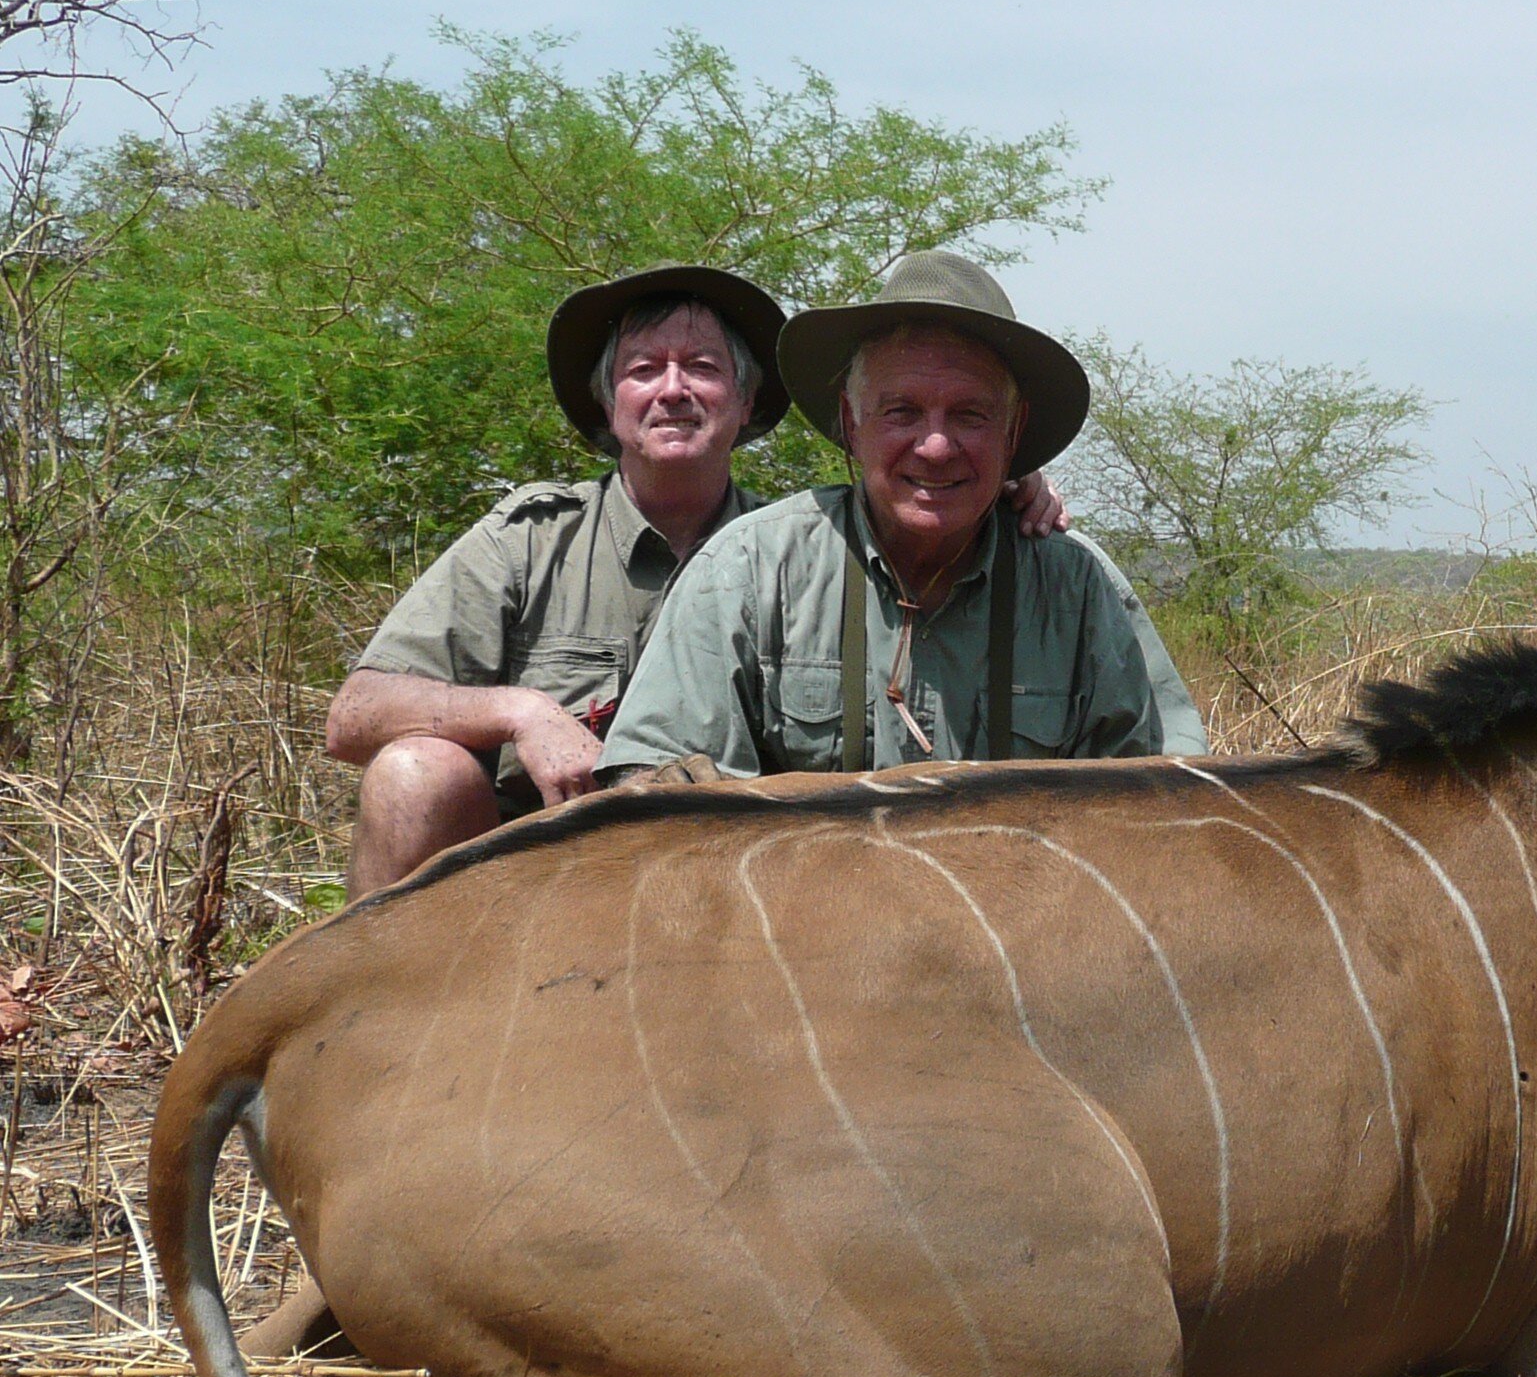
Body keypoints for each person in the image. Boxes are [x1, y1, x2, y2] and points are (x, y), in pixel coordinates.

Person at [323, 264, 1086, 899]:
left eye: (705, 369)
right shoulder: (530, 539)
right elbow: (355, 714)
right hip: (532, 878)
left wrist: (997, 486)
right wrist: (522, 712)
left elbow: (909, 470)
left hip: (716, 895)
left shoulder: (795, 552)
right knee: (415, 775)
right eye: (645, 370)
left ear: (749, 403)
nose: (674, 390)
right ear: (608, 399)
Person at [600, 250, 1200, 780]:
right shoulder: (749, 568)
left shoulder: (1079, 588)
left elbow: (1161, 803)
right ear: (851, 422)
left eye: (970, 415)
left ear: (1013, 432)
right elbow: (655, 796)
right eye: (901, 411)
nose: (935, 447)